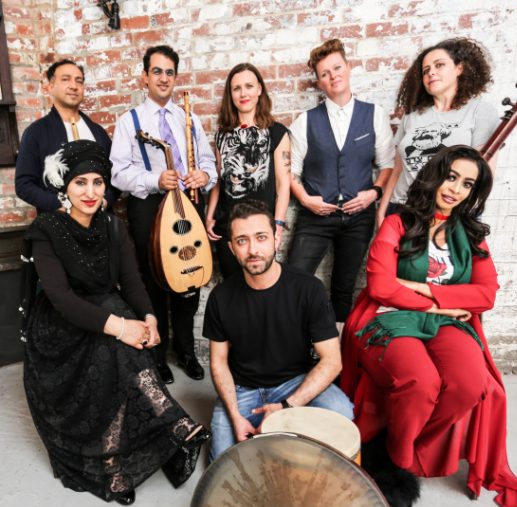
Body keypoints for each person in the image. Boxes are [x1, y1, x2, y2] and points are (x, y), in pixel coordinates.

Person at [340, 146, 517, 507]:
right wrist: (445, 302)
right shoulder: (398, 223)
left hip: (446, 321)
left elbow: (486, 293)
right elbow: (382, 286)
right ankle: (398, 465)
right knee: (420, 381)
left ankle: (402, 445)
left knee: (469, 383)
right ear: (436, 175)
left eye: (468, 184)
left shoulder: (471, 234)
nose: (456, 189)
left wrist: (425, 290)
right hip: (392, 317)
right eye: (451, 177)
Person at [21, 140, 210, 506]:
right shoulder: (46, 229)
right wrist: (123, 327)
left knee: (119, 342)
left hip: (106, 307)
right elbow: (61, 299)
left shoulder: (112, 225)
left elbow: (134, 280)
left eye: (97, 182)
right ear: (64, 186)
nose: (90, 192)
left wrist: (150, 317)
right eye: (80, 183)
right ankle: (163, 431)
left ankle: (125, 453)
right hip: (60, 324)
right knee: (114, 342)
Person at [204, 200, 354, 460]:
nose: (253, 250)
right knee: (222, 463)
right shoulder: (220, 297)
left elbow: (332, 361)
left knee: (342, 413)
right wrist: (235, 415)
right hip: (242, 390)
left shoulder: (308, 289)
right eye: (242, 241)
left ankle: (283, 435)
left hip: (293, 382)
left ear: (276, 238)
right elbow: (218, 363)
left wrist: (287, 406)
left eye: (261, 237)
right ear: (231, 249)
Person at [110, 45, 218, 384]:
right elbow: (118, 174)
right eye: (157, 71)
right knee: (154, 280)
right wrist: (154, 179)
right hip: (149, 208)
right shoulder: (130, 122)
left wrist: (205, 175)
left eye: (169, 72)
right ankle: (157, 355)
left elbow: (208, 162)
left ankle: (186, 351)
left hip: (189, 203)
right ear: (145, 77)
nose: (163, 78)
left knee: (188, 277)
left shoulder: (189, 118)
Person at [287, 38, 395, 327]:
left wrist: (373, 193)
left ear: (348, 67)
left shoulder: (374, 115)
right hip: (315, 217)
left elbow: (387, 165)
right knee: (294, 281)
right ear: (319, 82)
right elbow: (291, 173)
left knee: (343, 287)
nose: (333, 76)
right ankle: (299, 345)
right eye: (325, 73)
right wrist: (306, 199)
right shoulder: (305, 122)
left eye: (337, 68)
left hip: (359, 217)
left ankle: (336, 353)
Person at [378, 38, 498, 224]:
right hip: (402, 208)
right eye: (426, 70)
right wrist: (383, 211)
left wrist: (466, 216)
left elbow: (483, 174)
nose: (431, 72)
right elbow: (398, 168)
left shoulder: (480, 111)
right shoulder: (412, 116)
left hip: (449, 212)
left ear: (459, 68)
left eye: (439, 65)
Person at [206, 63, 291, 278]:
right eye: (236, 88)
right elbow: (219, 179)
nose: (243, 93)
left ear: (260, 89)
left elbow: (283, 185)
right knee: (233, 290)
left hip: (262, 230)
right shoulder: (222, 135)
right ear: (230, 94)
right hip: (229, 229)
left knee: (262, 288)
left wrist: (278, 225)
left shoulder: (277, 132)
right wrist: (209, 216)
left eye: (249, 86)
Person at [15, 59, 116, 212]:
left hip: (100, 223)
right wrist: (64, 206)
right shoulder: (36, 132)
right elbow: (24, 185)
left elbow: (115, 176)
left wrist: (104, 201)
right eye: (65, 79)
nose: (74, 86)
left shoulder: (98, 132)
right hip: (58, 225)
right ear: (50, 86)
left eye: (79, 81)